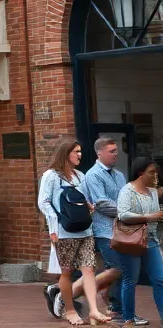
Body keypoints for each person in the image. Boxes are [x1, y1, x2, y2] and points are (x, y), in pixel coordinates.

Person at [39, 139, 115, 326]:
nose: (80, 155)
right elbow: (44, 202)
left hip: (85, 230)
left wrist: (88, 206)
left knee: (89, 269)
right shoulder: (51, 176)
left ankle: (94, 311)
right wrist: (53, 227)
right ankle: (70, 310)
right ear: (65, 153)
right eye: (76, 151)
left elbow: (83, 199)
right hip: (64, 231)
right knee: (67, 272)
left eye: (80, 151)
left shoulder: (80, 176)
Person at [71, 137, 125, 320]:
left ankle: (66, 293)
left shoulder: (119, 175)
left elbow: (125, 198)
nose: (116, 154)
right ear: (99, 153)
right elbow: (101, 203)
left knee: (113, 270)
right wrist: (128, 212)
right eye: (111, 151)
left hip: (121, 230)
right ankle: (116, 308)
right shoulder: (93, 175)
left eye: (116, 150)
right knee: (117, 269)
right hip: (104, 231)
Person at [114, 156, 163, 327]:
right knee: (130, 280)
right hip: (131, 241)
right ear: (140, 173)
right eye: (151, 172)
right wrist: (151, 216)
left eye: (156, 173)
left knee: (160, 279)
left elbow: (155, 216)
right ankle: (128, 318)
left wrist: (158, 216)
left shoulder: (152, 192)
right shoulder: (127, 191)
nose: (155, 176)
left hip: (151, 240)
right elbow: (123, 215)